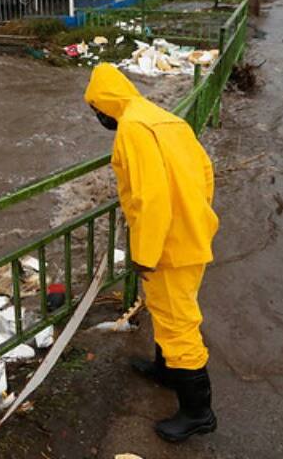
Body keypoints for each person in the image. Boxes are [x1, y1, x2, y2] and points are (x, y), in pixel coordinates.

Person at [84, 63, 219, 442]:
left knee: (179, 323)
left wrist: (143, 253)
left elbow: (150, 198)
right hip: (190, 233)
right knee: (163, 307)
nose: (99, 118)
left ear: (104, 105)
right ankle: (166, 371)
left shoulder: (132, 130)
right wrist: (197, 217)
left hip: (168, 247)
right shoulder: (165, 118)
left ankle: (198, 413)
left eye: (97, 110)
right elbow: (205, 171)